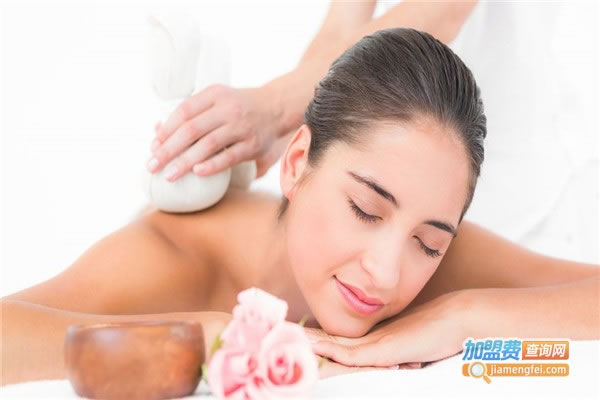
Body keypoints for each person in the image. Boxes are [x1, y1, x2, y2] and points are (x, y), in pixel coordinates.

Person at [2, 28, 598, 387]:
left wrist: (460, 318)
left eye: (429, 243)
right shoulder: (175, 254)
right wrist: (219, 337)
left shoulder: (430, 260)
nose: (386, 272)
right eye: (365, 209)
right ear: (295, 163)